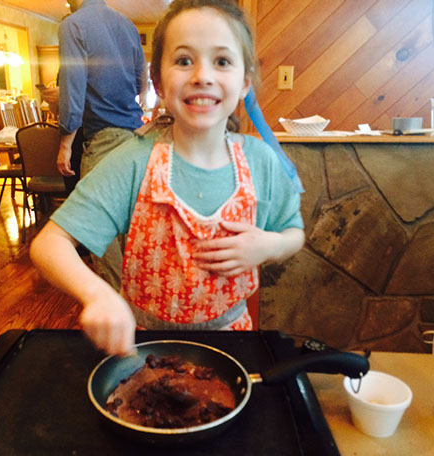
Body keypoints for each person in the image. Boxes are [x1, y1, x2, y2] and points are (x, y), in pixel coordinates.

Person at [31, 0, 305, 356]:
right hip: (145, 350)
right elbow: (49, 245)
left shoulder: (261, 162)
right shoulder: (131, 162)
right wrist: (98, 294)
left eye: (222, 61)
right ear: (158, 83)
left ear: (244, 83)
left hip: (233, 345)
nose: (202, 76)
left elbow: (293, 233)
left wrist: (269, 246)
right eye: (184, 60)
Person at [56, 0, 146, 290]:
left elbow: (72, 88)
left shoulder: (73, 25)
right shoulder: (127, 24)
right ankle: (137, 308)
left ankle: (118, 310)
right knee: (132, 236)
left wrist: (65, 143)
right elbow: (140, 82)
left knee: (101, 238)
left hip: (103, 140)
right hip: (136, 140)